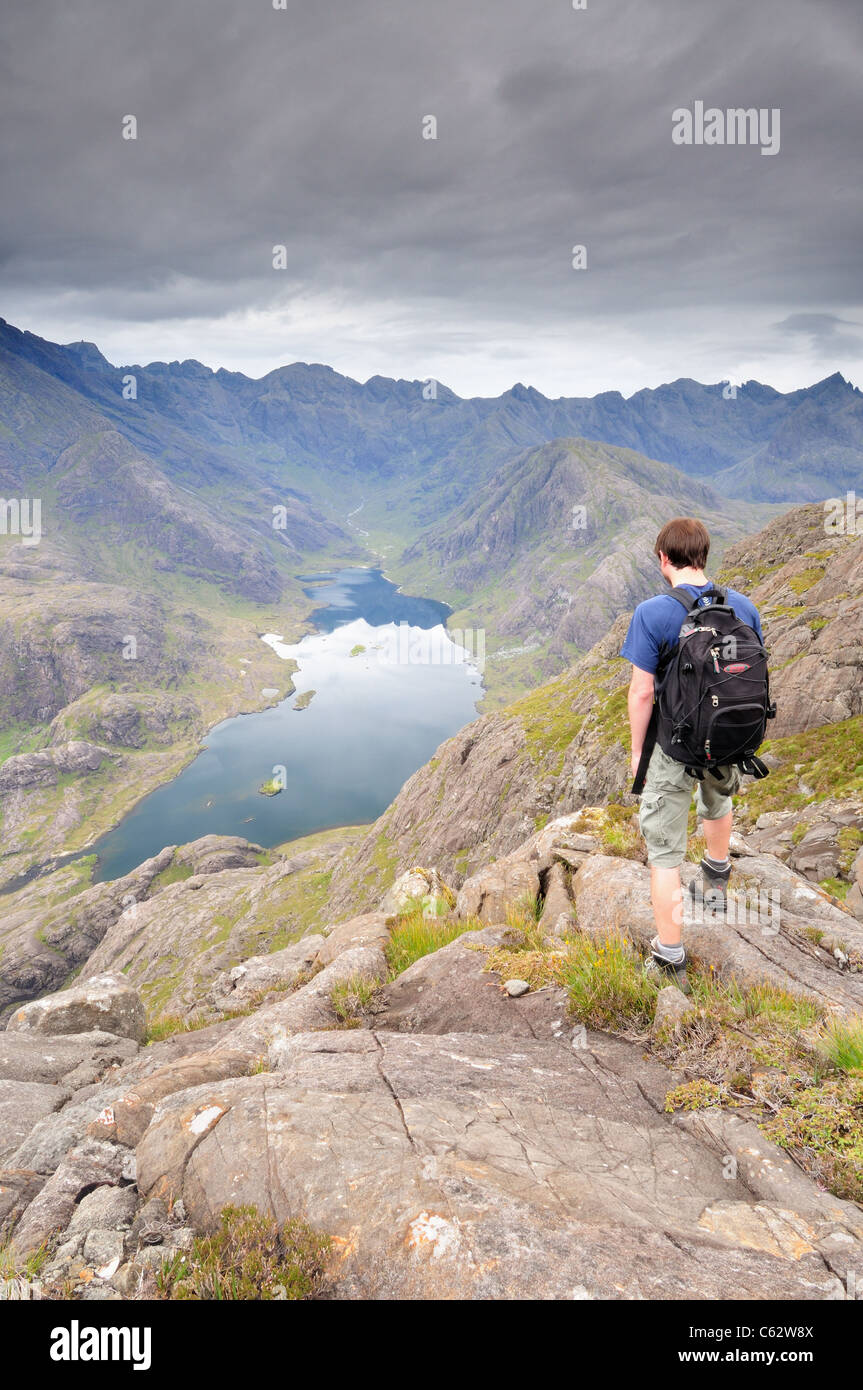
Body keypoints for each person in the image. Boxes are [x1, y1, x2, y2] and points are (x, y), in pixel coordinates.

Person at [621, 517, 764, 991]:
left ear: (664, 559)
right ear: (704, 555)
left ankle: (670, 957)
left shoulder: (653, 613)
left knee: (664, 852)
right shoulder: (743, 607)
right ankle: (717, 881)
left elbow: (643, 694)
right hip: (728, 738)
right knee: (718, 800)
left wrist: (639, 750)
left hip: (675, 745)